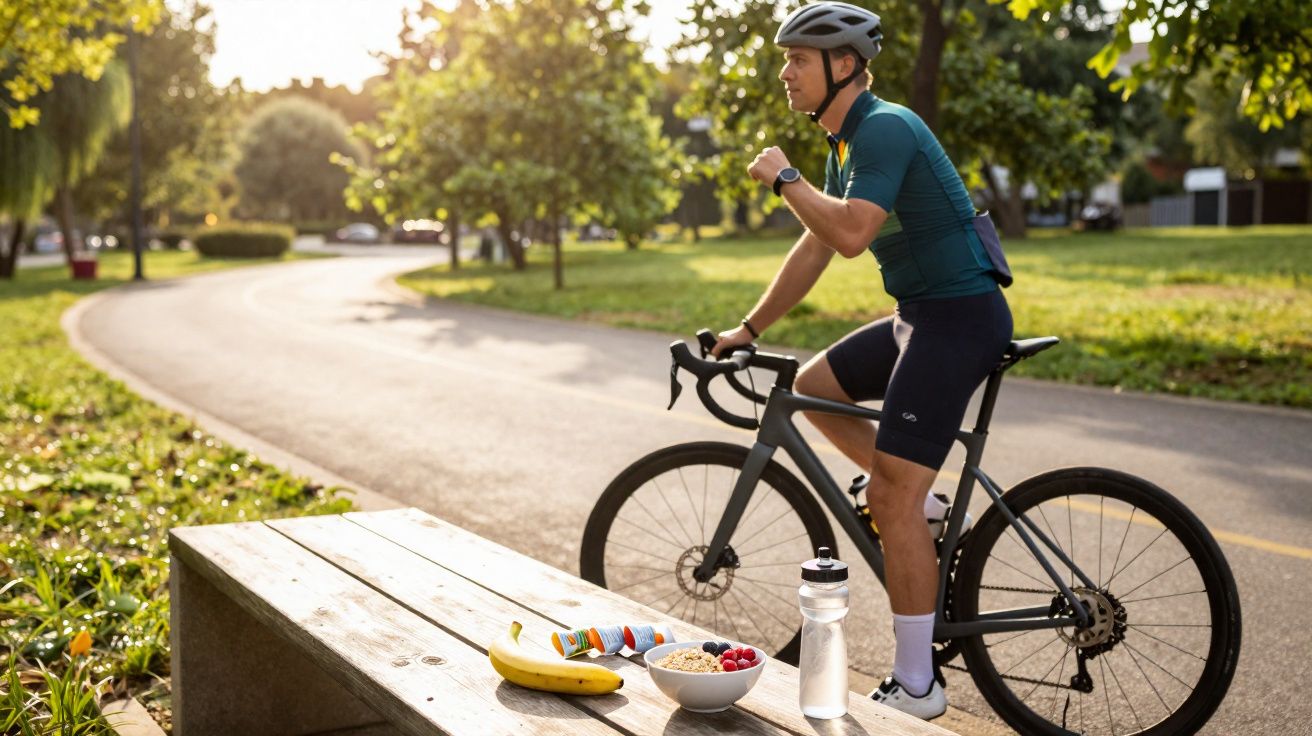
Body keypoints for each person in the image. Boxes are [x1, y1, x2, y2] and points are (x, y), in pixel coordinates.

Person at [711, 1, 1014, 721]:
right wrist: (749, 328)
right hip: (921, 314)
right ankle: (927, 506)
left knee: (887, 499)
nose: (784, 73)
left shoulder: (882, 129)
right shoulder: (844, 146)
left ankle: (919, 686)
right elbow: (815, 244)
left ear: (842, 65)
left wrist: (786, 180)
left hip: (959, 317)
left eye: (797, 60)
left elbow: (850, 235)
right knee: (812, 388)